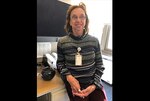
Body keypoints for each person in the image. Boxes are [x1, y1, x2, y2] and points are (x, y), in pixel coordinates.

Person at [57, 2, 107, 101]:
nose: (78, 20)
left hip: (94, 83)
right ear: (70, 22)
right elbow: (60, 64)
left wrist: (94, 85)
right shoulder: (62, 42)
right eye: (74, 17)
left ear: (86, 21)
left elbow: (100, 66)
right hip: (75, 84)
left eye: (82, 17)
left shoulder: (94, 41)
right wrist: (69, 77)